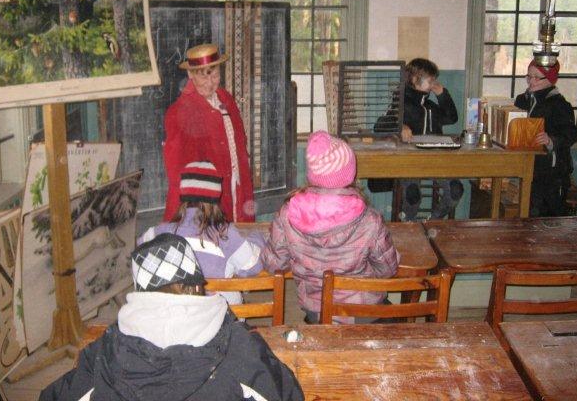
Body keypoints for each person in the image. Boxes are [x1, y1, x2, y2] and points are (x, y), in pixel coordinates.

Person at [39, 233, 304, 401]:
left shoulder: (102, 353)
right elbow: (289, 394)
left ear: (140, 292)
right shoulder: (239, 345)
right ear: (196, 288)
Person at [261, 131, 400, 324]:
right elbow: (388, 269)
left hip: (317, 310)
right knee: (396, 315)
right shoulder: (370, 219)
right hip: (363, 312)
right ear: (350, 173)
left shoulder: (287, 213)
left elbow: (273, 265)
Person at [139, 160, 265, 305]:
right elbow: (253, 267)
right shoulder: (227, 234)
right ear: (216, 198)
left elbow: (138, 250)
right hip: (219, 313)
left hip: (173, 311)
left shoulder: (159, 232)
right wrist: (256, 237)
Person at [163, 43, 254, 223]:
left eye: (215, 75)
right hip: (205, 199)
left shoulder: (226, 99)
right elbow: (176, 170)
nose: (210, 82)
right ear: (190, 74)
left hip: (235, 187)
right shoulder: (179, 111)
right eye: (203, 76)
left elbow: (240, 144)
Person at [373, 58, 463, 221]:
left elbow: (451, 118)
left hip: (436, 161)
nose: (434, 83)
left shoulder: (429, 106)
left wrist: (442, 94)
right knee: (412, 193)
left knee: (455, 190)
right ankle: (409, 223)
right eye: (430, 79)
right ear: (415, 79)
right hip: (409, 162)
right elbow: (379, 125)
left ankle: (432, 221)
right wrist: (399, 126)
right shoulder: (401, 102)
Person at [514, 60, 577, 217]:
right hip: (529, 168)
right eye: (529, 76)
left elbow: (571, 134)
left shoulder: (559, 105)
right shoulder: (522, 100)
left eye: (537, 77)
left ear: (550, 80)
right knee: (528, 214)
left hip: (552, 172)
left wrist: (551, 140)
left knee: (550, 217)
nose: (531, 81)